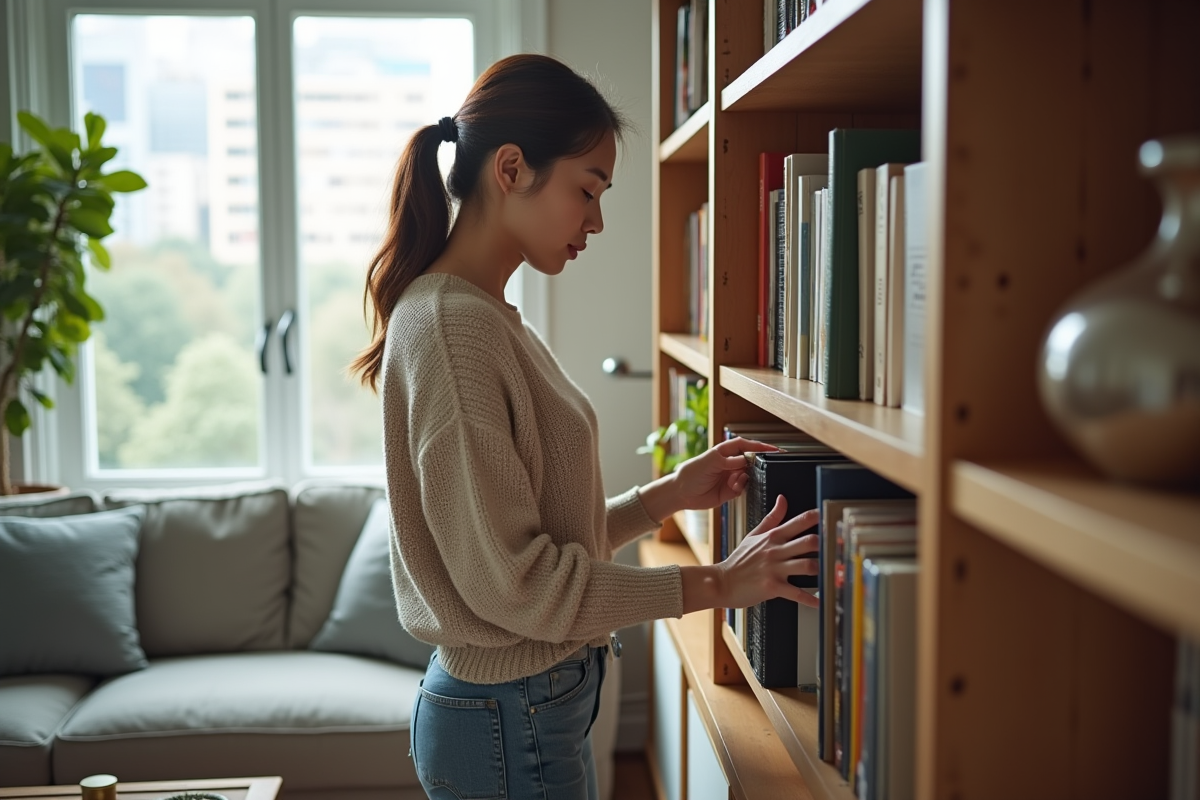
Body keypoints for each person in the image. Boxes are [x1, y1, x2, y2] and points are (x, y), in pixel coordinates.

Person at [350, 54, 819, 800]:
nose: (596, 221)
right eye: (587, 190)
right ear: (511, 169)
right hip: (510, 718)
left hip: (527, 709)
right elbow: (518, 586)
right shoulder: (451, 329)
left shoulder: (483, 317)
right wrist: (718, 583)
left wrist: (667, 495)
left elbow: (539, 540)